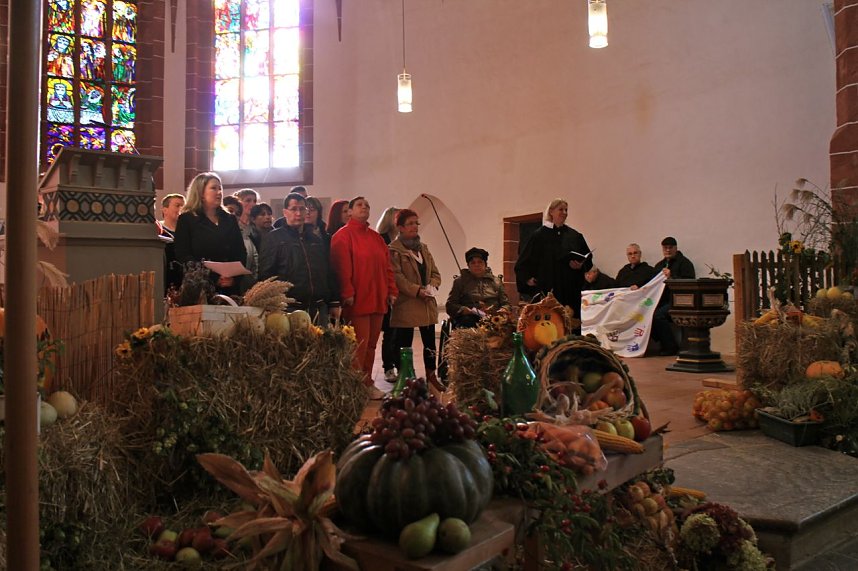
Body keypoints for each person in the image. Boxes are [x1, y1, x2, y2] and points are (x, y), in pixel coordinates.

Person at [330, 197, 398, 399]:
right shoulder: (342, 236)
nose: (365, 207)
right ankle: (355, 385)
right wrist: (347, 292)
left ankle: (366, 381)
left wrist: (392, 290)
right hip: (357, 299)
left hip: (377, 297)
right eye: (360, 204)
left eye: (367, 205)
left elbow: (388, 267)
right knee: (358, 345)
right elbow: (341, 267)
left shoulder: (376, 238)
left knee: (371, 345)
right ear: (349, 212)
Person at [259, 193, 340, 326]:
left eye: (302, 209)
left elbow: (327, 271)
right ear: (285, 212)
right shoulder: (274, 238)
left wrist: (334, 301)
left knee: (320, 346)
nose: (298, 213)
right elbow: (266, 274)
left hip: (318, 307)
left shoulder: (316, 239)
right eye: (294, 209)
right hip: (289, 307)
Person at [389, 209, 442, 390]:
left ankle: (431, 376)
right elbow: (397, 277)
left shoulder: (423, 248)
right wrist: (417, 291)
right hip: (407, 303)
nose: (415, 227)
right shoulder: (394, 251)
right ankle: (407, 377)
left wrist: (433, 286)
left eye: (416, 223)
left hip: (426, 303)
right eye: (410, 223)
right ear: (401, 227)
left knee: (429, 343)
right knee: (404, 343)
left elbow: (435, 272)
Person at [514, 198, 592, 319]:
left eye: (566, 210)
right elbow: (524, 261)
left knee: (571, 322)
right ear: (551, 211)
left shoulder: (574, 236)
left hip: (570, 288)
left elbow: (587, 257)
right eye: (561, 209)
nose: (564, 213)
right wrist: (528, 278)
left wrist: (580, 264)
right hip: (548, 287)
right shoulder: (539, 236)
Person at [174, 172, 247, 296]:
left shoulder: (229, 219)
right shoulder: (187, 219)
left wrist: (233, 278)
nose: (219, 192)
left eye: (220, 188)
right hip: (199, 287)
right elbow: (183, 255)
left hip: (229, 287)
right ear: (201, 193)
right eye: (214, 188)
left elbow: (240, 251)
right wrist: (213, 277)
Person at [651, 236, 696, 355]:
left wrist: (672, 277)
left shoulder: (685, 263)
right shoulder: (659, 265)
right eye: (665, 248)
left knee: (658, 316)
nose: (668, 250)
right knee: (646, 313)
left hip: (680, 300)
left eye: (670, 248)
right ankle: (663, 342)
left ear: (676, 248)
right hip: (662, 300)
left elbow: (689, 284)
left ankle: (670, 346)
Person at [445, 247, 510, 329]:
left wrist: (503, 310)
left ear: (485, 264)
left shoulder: (496, 281)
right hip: (470, 318)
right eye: (473, 263)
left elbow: (506, 303)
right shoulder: (460, 282)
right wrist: (462, 310)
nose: (477, 265)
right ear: (468, 265)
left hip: (494, 317)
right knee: (468, 322)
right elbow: (450, 305)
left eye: (480, 262)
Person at [375, 206, 400, 381]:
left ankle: (399, 365)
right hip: (385, 292)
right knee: (389, 333)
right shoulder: (381, 240)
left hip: (399, 292)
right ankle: (388, 367)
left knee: (397, 332)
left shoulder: (399, 240)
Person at [157, 193, 185, 294]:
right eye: (177, 205)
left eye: (183, 206)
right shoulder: (157, 230)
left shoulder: (187, 232)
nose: (181, 209)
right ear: (165, 210)